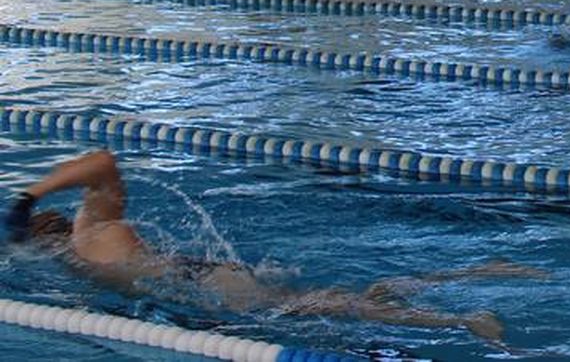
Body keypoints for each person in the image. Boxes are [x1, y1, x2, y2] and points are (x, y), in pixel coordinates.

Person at [5, 150, 534, 341]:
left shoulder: (87, 236)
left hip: (207, 285)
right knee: (341, 296)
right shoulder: (85, 246)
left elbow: (102, 161)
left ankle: (462, 320)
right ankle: (473, 272)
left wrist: (28, 195)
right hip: (203, 274)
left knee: (340, 307)